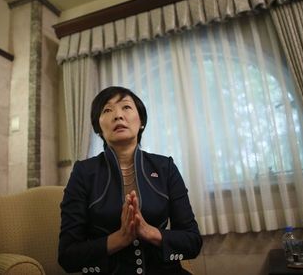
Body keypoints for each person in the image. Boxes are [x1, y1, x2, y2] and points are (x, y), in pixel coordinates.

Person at [59, 86, 202, 274]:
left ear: (141, 121)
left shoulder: (165, 167)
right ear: (99, 128)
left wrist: (150, 232)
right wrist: (120, 238)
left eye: (126, 107)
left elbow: (192, 241)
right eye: (107, 110)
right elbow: (68, 255)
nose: (118, 115)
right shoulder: (83, 172)